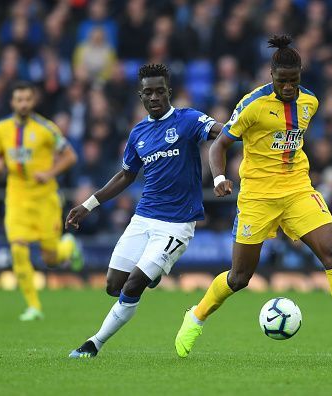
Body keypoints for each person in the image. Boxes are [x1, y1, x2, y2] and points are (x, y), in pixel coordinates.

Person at [175, 35, 332, 364]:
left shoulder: (311, 102)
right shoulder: (252, 105)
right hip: (258, 197)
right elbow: (220, 145)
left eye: (294, 80)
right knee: (239, 277)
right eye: (283, 81)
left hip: (296, 190)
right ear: (271, 76)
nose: (289, 87)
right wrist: (220, 178)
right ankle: (195, 316)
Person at [66, 64, 221, 358]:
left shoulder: (187, 119)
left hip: (177, 224)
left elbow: (219, 132)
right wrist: (88, 205)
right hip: (144, 217)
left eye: (160, 91)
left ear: (169, 92)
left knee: (134, 284)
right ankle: (152, 274)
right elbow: (126, 175)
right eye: (148, 92)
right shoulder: (138, 133)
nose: (154, 97)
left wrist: (230, 138)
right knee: (114, 286)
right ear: (141, 96)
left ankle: (93, 344)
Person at [0, 81, 82, 321]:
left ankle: (70, 246)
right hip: (17, 197)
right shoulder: (0, 129)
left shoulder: (46, 128)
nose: (23, 103)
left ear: (33, 101)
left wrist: (50, 173)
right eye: (18, 99)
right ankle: (34, 306)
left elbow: (71, 155)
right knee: (18, 249)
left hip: (45, 199)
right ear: (12, 102)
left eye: (27, 99)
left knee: (50, 259)